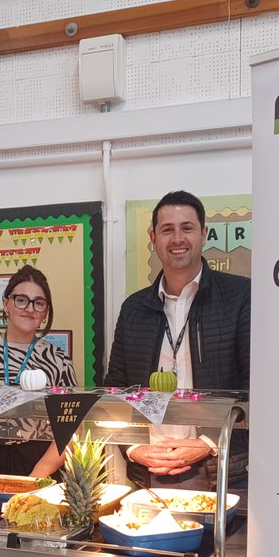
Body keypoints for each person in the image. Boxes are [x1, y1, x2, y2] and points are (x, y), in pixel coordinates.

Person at [104, 190, 249, 493]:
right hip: (148, 469)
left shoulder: (240, 297)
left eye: (187, 228)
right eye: (167, 229)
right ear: (153, 237)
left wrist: (207, 442)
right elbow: (115, 390)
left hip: (218, 468)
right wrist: (133, 448)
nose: (177, 238)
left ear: (203, 234)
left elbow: (254, 388)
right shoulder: (134, 308)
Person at [0, 265, 77, 477]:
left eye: (39, 303)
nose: (30, 308)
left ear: (45, 312)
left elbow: (71, 427)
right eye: (21, 300)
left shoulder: (58, 360)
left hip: (41, 462)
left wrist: (39, 473)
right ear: (6, 303)